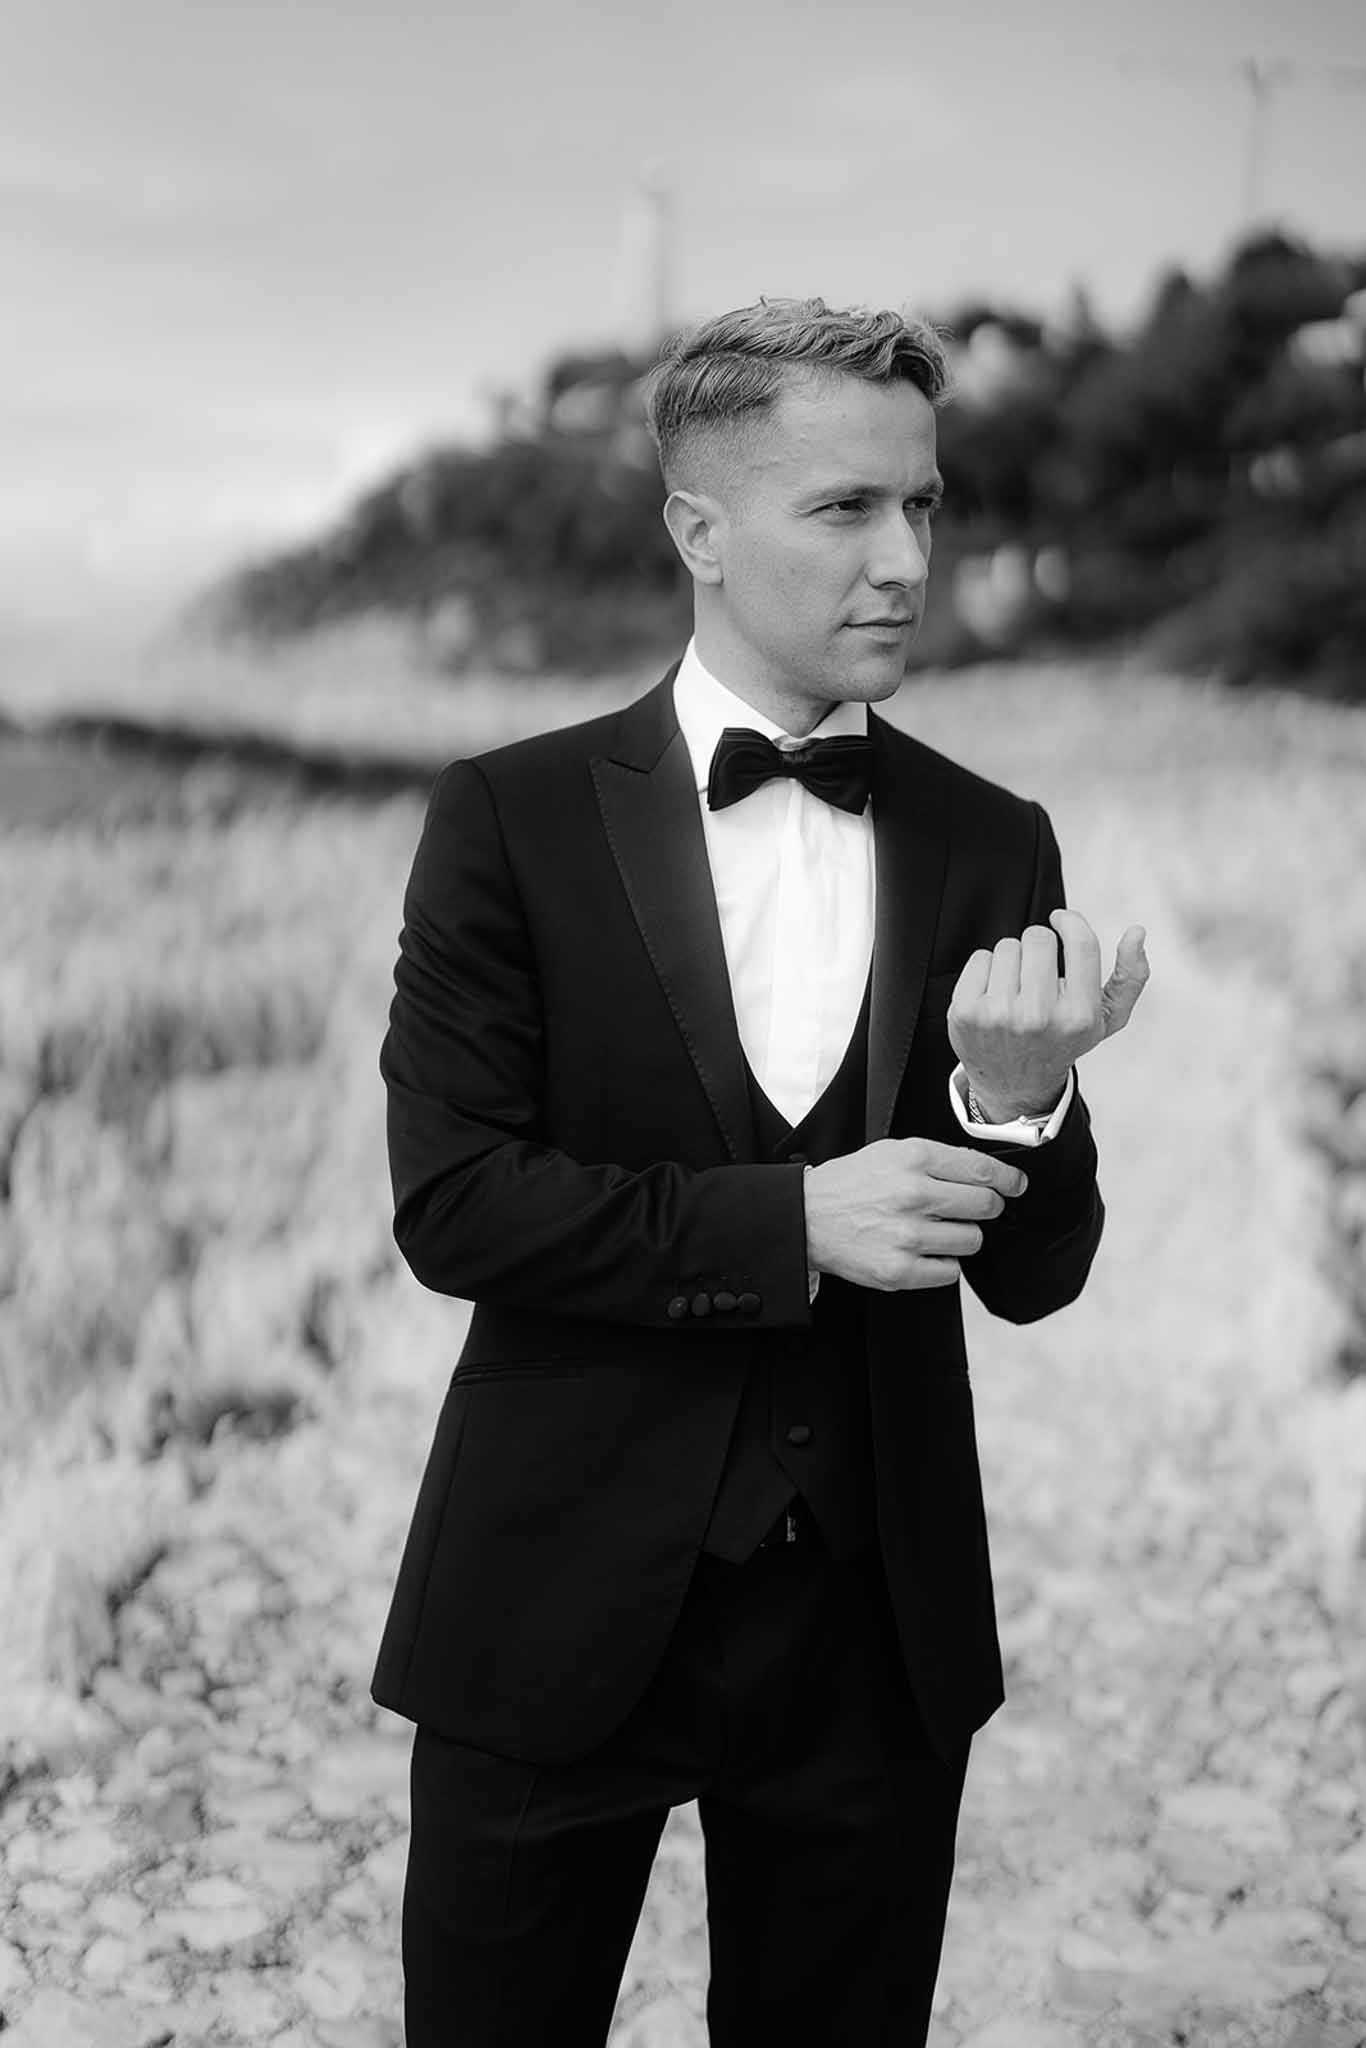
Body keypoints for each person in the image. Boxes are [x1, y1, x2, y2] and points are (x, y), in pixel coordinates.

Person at [372, 297, 1149, 2047]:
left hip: (874, 1632)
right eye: (845, 510)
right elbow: (455, 1202)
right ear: (697, 532)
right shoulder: (507, 819)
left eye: (924, 508)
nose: (903, 559)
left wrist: (1013, 1098)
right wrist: (795, 1222)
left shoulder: (986, 835)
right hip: (555, 1592)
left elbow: (1038, 1271)